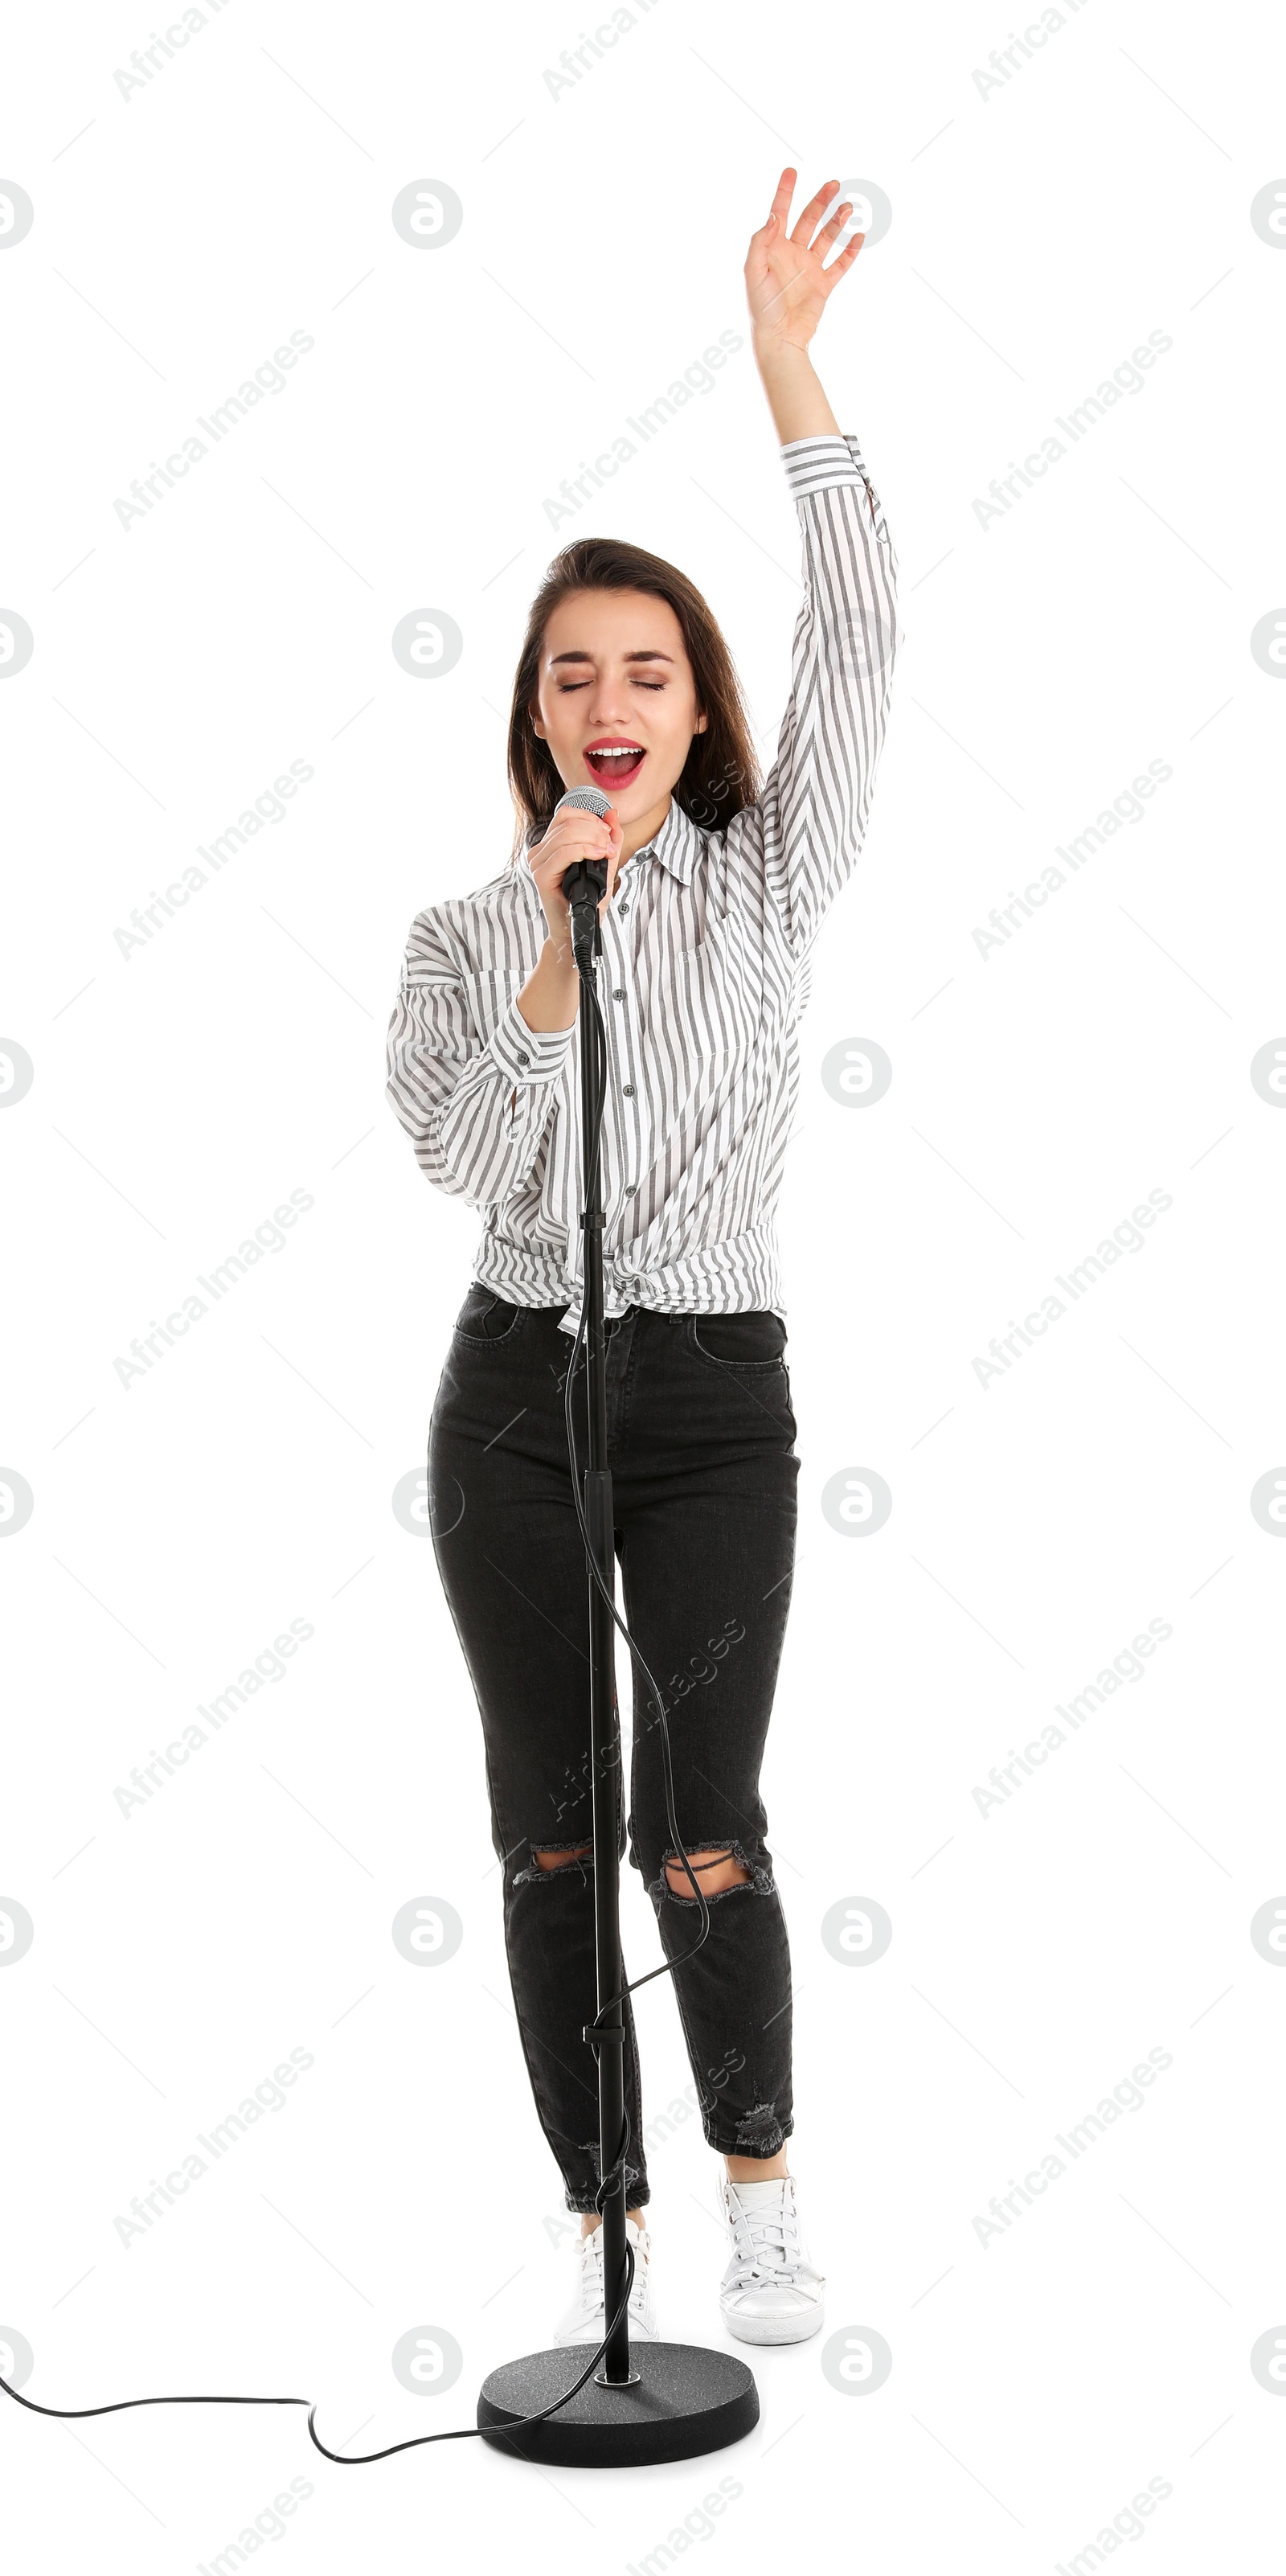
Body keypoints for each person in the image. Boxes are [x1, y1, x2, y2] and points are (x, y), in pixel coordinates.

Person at [385, 168, 899, 2352]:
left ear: (693, 709)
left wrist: (789, 373)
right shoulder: (467, 935)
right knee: (545, 1825)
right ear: (538, 713)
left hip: (709, 1399)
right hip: (514, 1388)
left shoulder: (770, 887)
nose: (615, 697)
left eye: (651, 668)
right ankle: (604, 2228)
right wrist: (547, 942)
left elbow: (856, 637)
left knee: (700, 1811)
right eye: (576, 674)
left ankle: (759, 2192)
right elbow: (461, 1154)